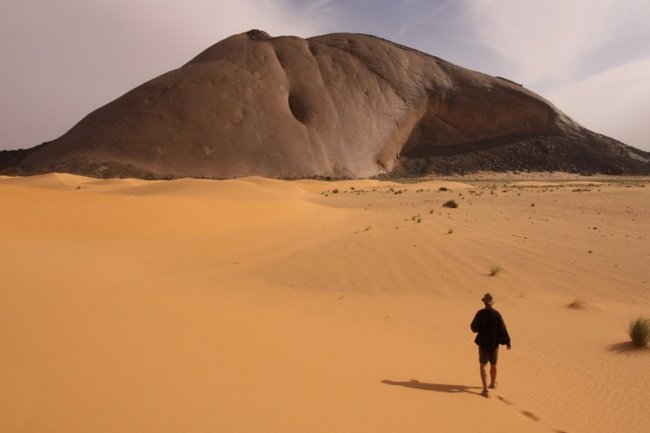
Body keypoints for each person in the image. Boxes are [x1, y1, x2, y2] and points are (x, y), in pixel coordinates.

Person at [470, 293, 511, 397]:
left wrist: (482, 327)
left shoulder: (480, 313)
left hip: (483, 343)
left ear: (484, 302)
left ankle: (485, 390)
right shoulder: (497, 314)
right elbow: (503, 328)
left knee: (483, 365)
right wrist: (507, 342)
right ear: (492, 303)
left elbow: (474, 328)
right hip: (494, 344)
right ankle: (492, 384)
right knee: (493, 364)